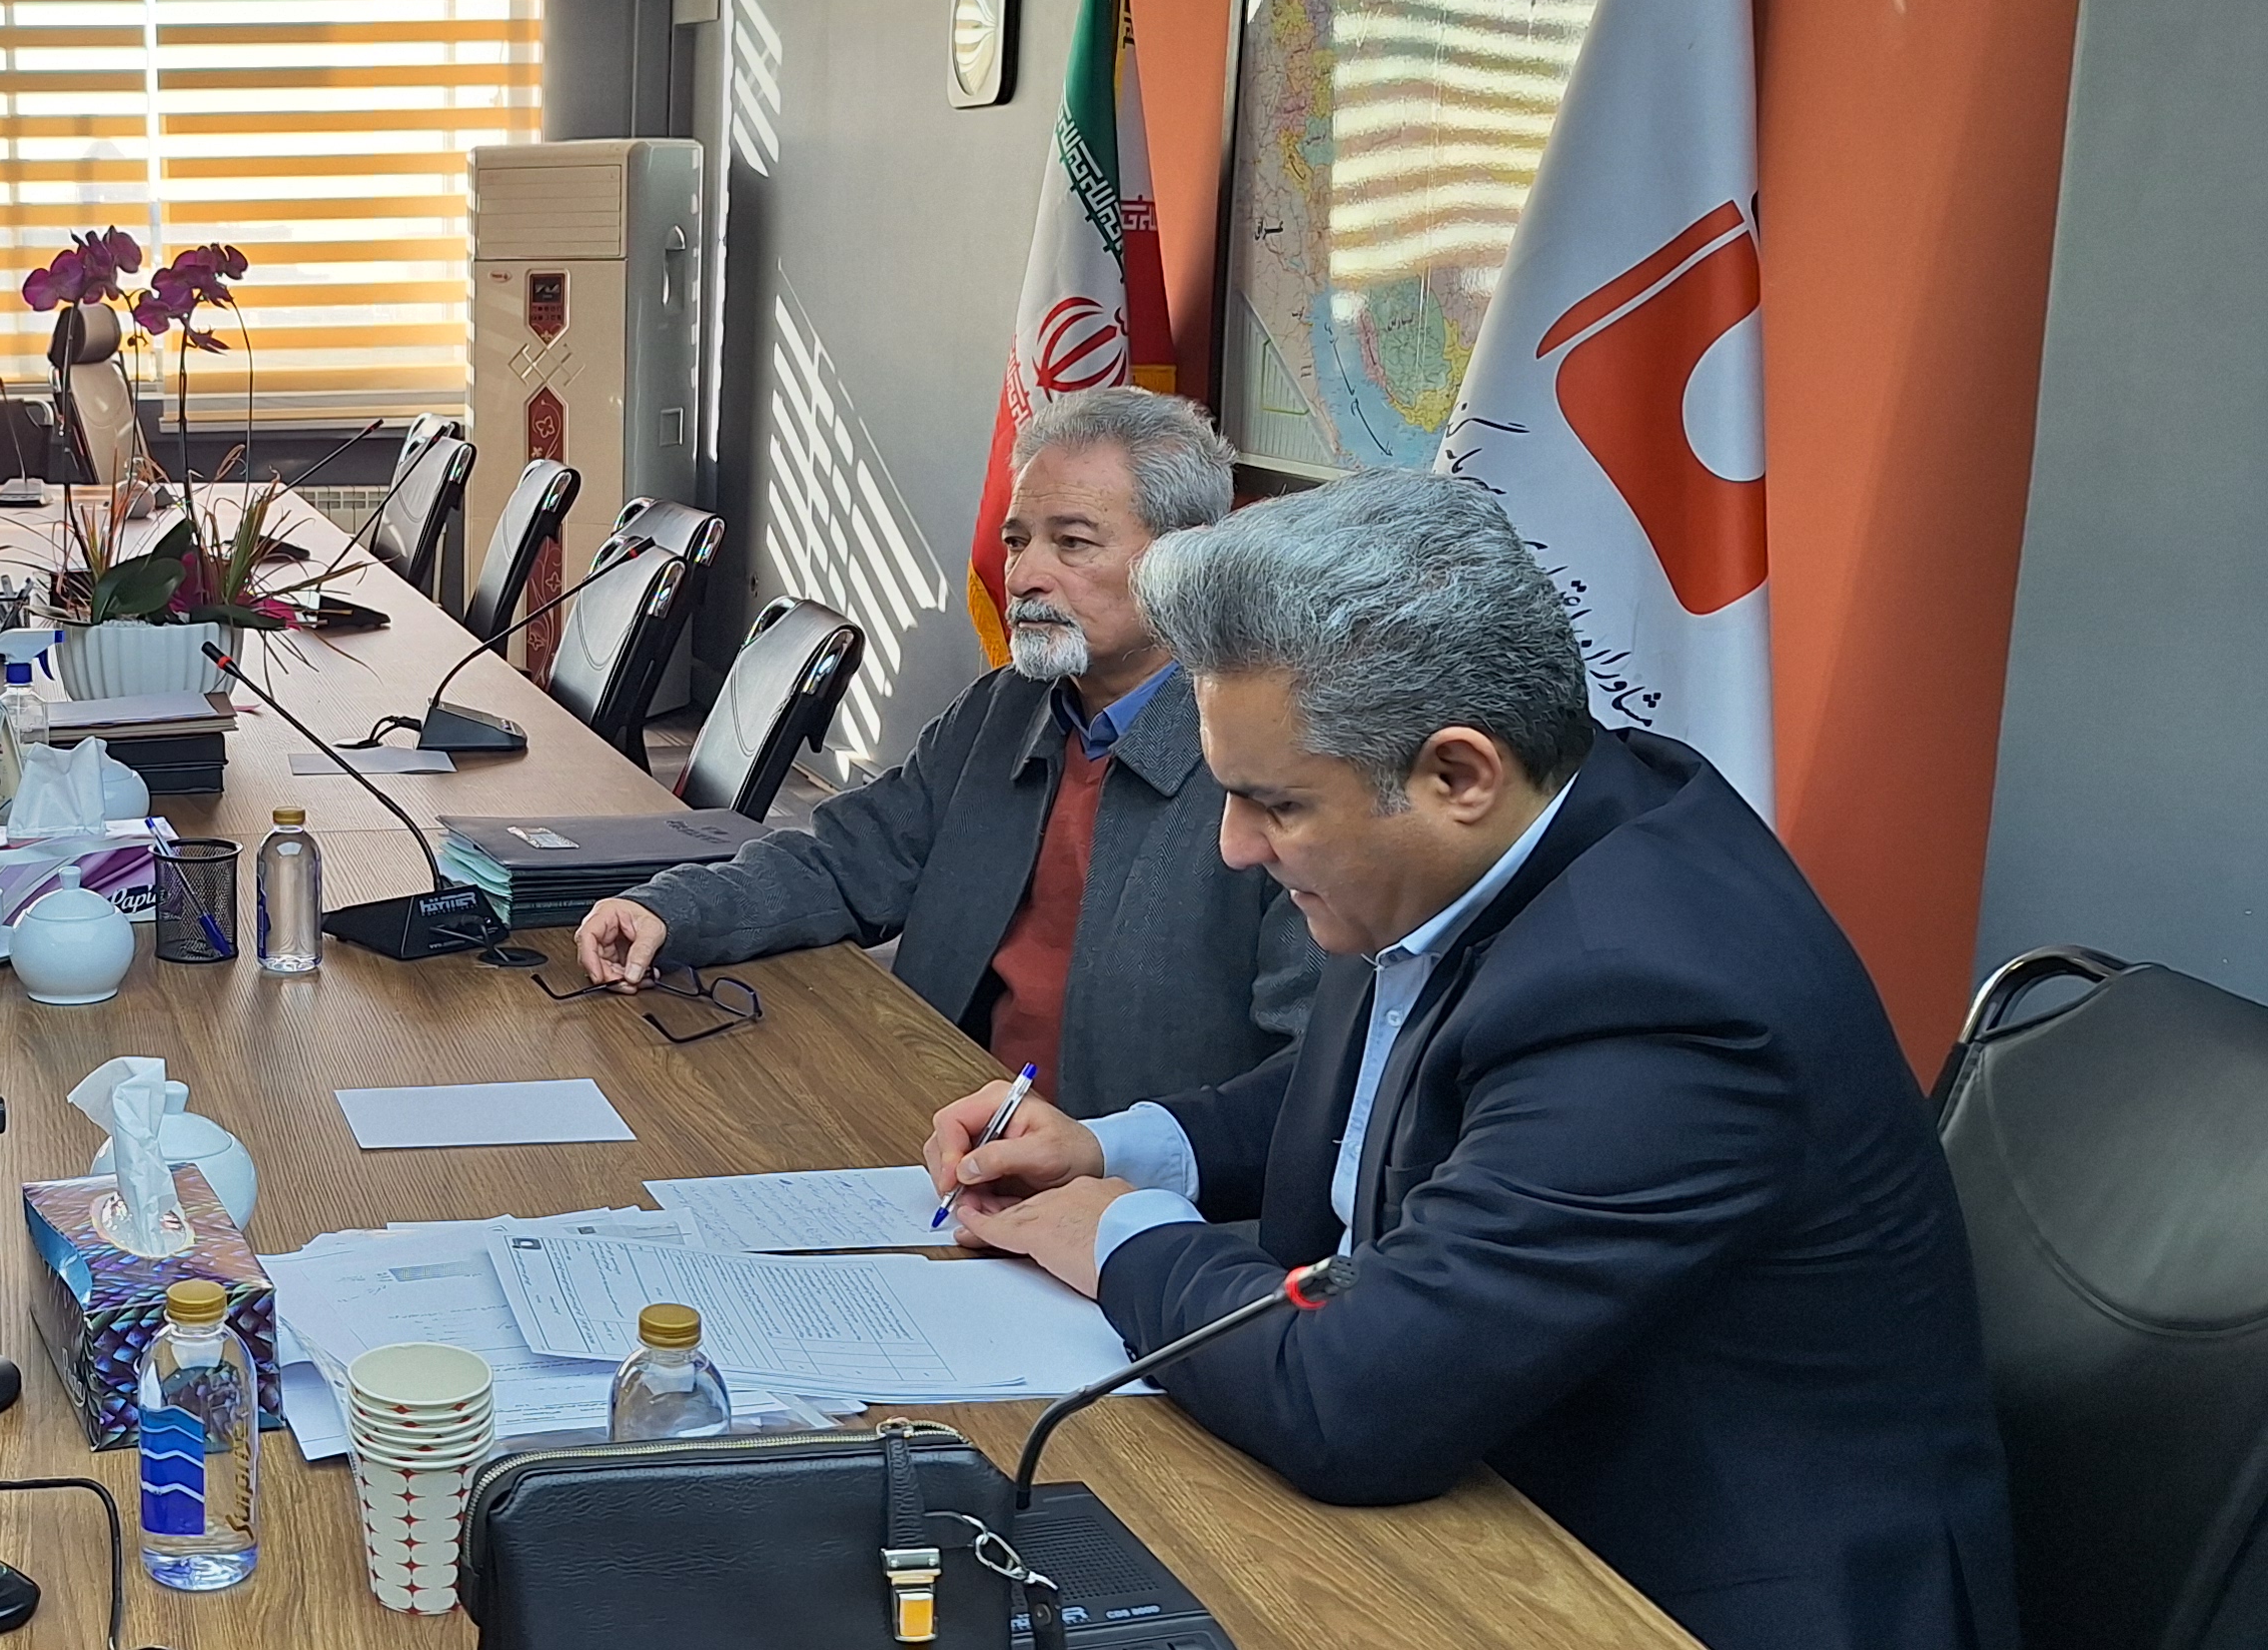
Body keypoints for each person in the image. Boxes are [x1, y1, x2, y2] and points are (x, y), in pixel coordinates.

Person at [922, 470, 2014, 1650]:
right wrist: (1113, 1148)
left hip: (1676, 1590)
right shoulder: (1510, 827)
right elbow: (1385, 1082)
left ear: (1457, 774)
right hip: (1503, 1496)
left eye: (1272, 805)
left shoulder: (1655, 1000)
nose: (1236, 847)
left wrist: (1115, 1234)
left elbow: (1352, 1400)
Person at [576, 389, 1317, 1114]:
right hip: (932, 1112)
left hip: (1116, 1173)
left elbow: (1307, 1075)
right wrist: (671, 909)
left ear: (1188, 561)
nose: (1023, 577)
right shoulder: (1005, 707)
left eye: (1073, 542)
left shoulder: (1280, 765)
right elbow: (846, 862)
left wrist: (1130, 1162)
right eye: (1017, 540)